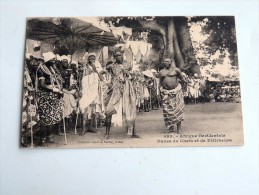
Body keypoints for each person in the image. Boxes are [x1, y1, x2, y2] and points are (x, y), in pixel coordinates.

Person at [104, 49, 139, 139]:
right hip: (116, 88)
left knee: (130, 108)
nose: (120, 57)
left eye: (121, 55)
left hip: (127, 87)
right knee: (109, 110)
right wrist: (107, 83)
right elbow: (102, 73)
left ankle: (133, 132)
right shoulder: (111, 66)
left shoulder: (127, 64)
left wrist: (130, 75)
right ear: (115, 57)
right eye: (118, 55)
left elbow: (133, 75)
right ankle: (107, 133)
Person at [35, 52, 64, 144]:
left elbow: (57, 81)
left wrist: (59, 89)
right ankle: (42, 137)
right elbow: (42, 84)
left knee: (52, 116)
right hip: (45, 96)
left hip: (54, 96)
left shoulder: (52, 69)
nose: (54, 61)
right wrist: (55, 90)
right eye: (52, 60)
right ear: (47, 60)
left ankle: (49, 135)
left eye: (54, 59)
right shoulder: (41, 70)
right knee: (45, 117)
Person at [79, 53, 104, 135]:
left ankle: (90, 126)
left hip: (94, 91)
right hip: (86, 91)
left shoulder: (97, 67)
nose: (92, 60)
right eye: (91, 59)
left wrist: (95, 70)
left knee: (93, 109)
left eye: (94, 59)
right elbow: (81, 79)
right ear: (88, 59)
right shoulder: (84, 68)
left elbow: (101, 78)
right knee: (85, 108)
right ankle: (83, 128)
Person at [159, 57, 185, 134]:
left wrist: (181, 90)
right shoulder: (161, 71)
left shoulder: (176, 70)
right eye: (164, 61)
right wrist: (161, 92)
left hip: (176, 92)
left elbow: (182, 80)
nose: (166, 62)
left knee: (177, 110)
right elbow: (160, 82)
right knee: (167, 111)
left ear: (171, 62)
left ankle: (179, 128)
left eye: (167, 61)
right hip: (166, 93)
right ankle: (170, 127)